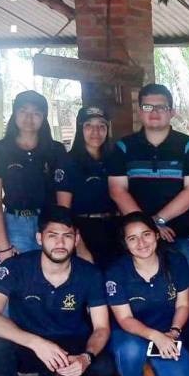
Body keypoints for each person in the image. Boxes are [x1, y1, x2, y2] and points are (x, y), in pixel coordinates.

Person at [0, 206, 114, 376]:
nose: (60, 243)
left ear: (77, 239)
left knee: (106, 365)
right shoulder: (15, 268)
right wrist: (36, 343)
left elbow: (102, 328)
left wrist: (85, 358)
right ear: (39, 238)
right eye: (53, 236)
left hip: (70, 348)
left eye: (67, 236)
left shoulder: (90, 274)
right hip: (30, 348)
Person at [108, 84, 189, 277]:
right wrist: (148, 229)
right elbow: (117, 190)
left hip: (183, 236)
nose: (154, 112)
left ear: (172, 112)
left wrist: (158, 221)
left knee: (184, 293)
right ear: (139, 111)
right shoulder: (123, 147)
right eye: (147, 107)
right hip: (138, 240)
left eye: (161, 107)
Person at [105, 212, 189, 376]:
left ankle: (148, 364)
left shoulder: (175, 261)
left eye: (146, 234)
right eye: (132, 238)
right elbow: (125, 319)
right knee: (130, 349)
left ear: (156, 235)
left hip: (167, 332)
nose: (141, 243)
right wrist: (156, 336)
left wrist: (173, 333)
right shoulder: (116, 272)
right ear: (125, 244)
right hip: (131, 334)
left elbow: (183, 304)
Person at [0, 90, 66, 263]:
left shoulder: (55, 150)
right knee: (19, 279)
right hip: (16, 224)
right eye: (23, 111)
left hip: (49, 222)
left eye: (36, 113)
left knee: (53, 274)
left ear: (44, 117)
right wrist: (4, 245)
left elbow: (63, 194)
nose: (29, 118)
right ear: (14, 113)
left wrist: (63, 229)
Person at [55, 105, 120, 269]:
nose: (95, 132)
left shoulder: (114, 159)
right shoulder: (68, 162)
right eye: (89, 126)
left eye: (101, 126)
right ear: (80, 129)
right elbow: (64, 211)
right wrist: (80, 247)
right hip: (84, 231)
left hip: (114, 229)